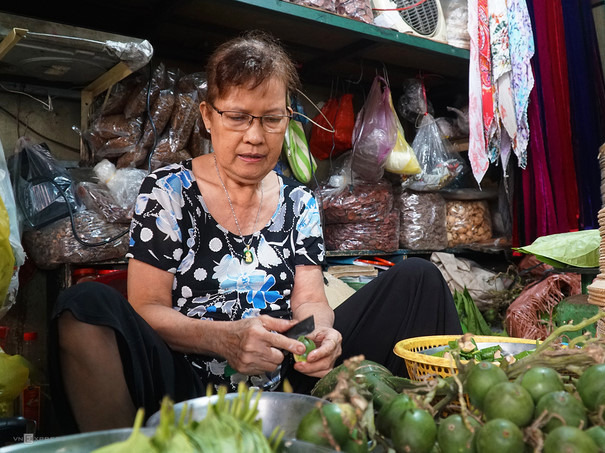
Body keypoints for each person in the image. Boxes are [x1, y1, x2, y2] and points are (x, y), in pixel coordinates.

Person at [48, 30, 462, 434]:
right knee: (83, 305)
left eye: (271, 119)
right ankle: (126, 449)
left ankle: (427, 431)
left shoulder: (299, 201)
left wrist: (321, 335)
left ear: (288, 119)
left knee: (418, 279)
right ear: (209, 117)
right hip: (184, 389)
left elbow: (310, 298)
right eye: (238, 117)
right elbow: (147, 306)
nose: (254, 136)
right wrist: (223, 339)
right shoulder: (168, 191)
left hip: (285, 382)